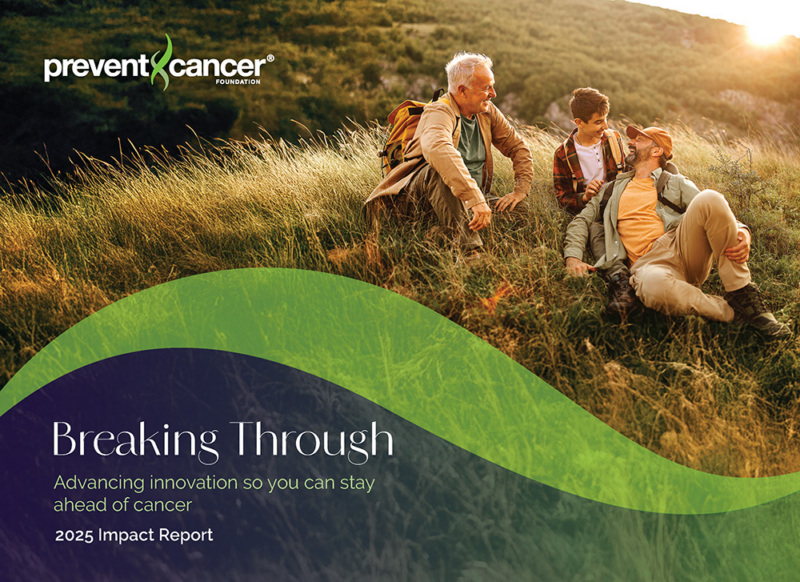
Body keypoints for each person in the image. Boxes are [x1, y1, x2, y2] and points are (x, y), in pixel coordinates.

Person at [564, 125, 791, 338]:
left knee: (710, 196)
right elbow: (581, 221)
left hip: (682, 246)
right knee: (654, 289)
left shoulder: (675, 182)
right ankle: (732, 313)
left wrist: (742, 231)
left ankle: (742, 291)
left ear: (656, 151)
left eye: (639, 139)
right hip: (647, 265)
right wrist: (573, 258)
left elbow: (712, 207)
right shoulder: (610, 189)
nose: (630, 142)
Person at [364, 52, 534, 255]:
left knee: (519, 211)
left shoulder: (487, 111)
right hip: (419, 199)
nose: (493, 93)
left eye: (492, 86)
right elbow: (438, 149)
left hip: (464, 200)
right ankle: (470, 253)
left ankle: (436, 235)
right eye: (486, 87)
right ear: (462, 91)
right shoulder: (439, 112)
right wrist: (475, 199)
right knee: (438, 170)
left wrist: (520, 190)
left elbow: (518, 147)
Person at [553, 87, 629, 313]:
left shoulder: (613, 139)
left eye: (605, 119)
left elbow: (626, 172)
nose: (604, 126)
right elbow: (562, 196)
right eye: (598, 122)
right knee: (596, 231)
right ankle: (619, 279)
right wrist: (584, 196)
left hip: (620, 199)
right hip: (593, 207)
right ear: (579, 122)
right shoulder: (563, 154)